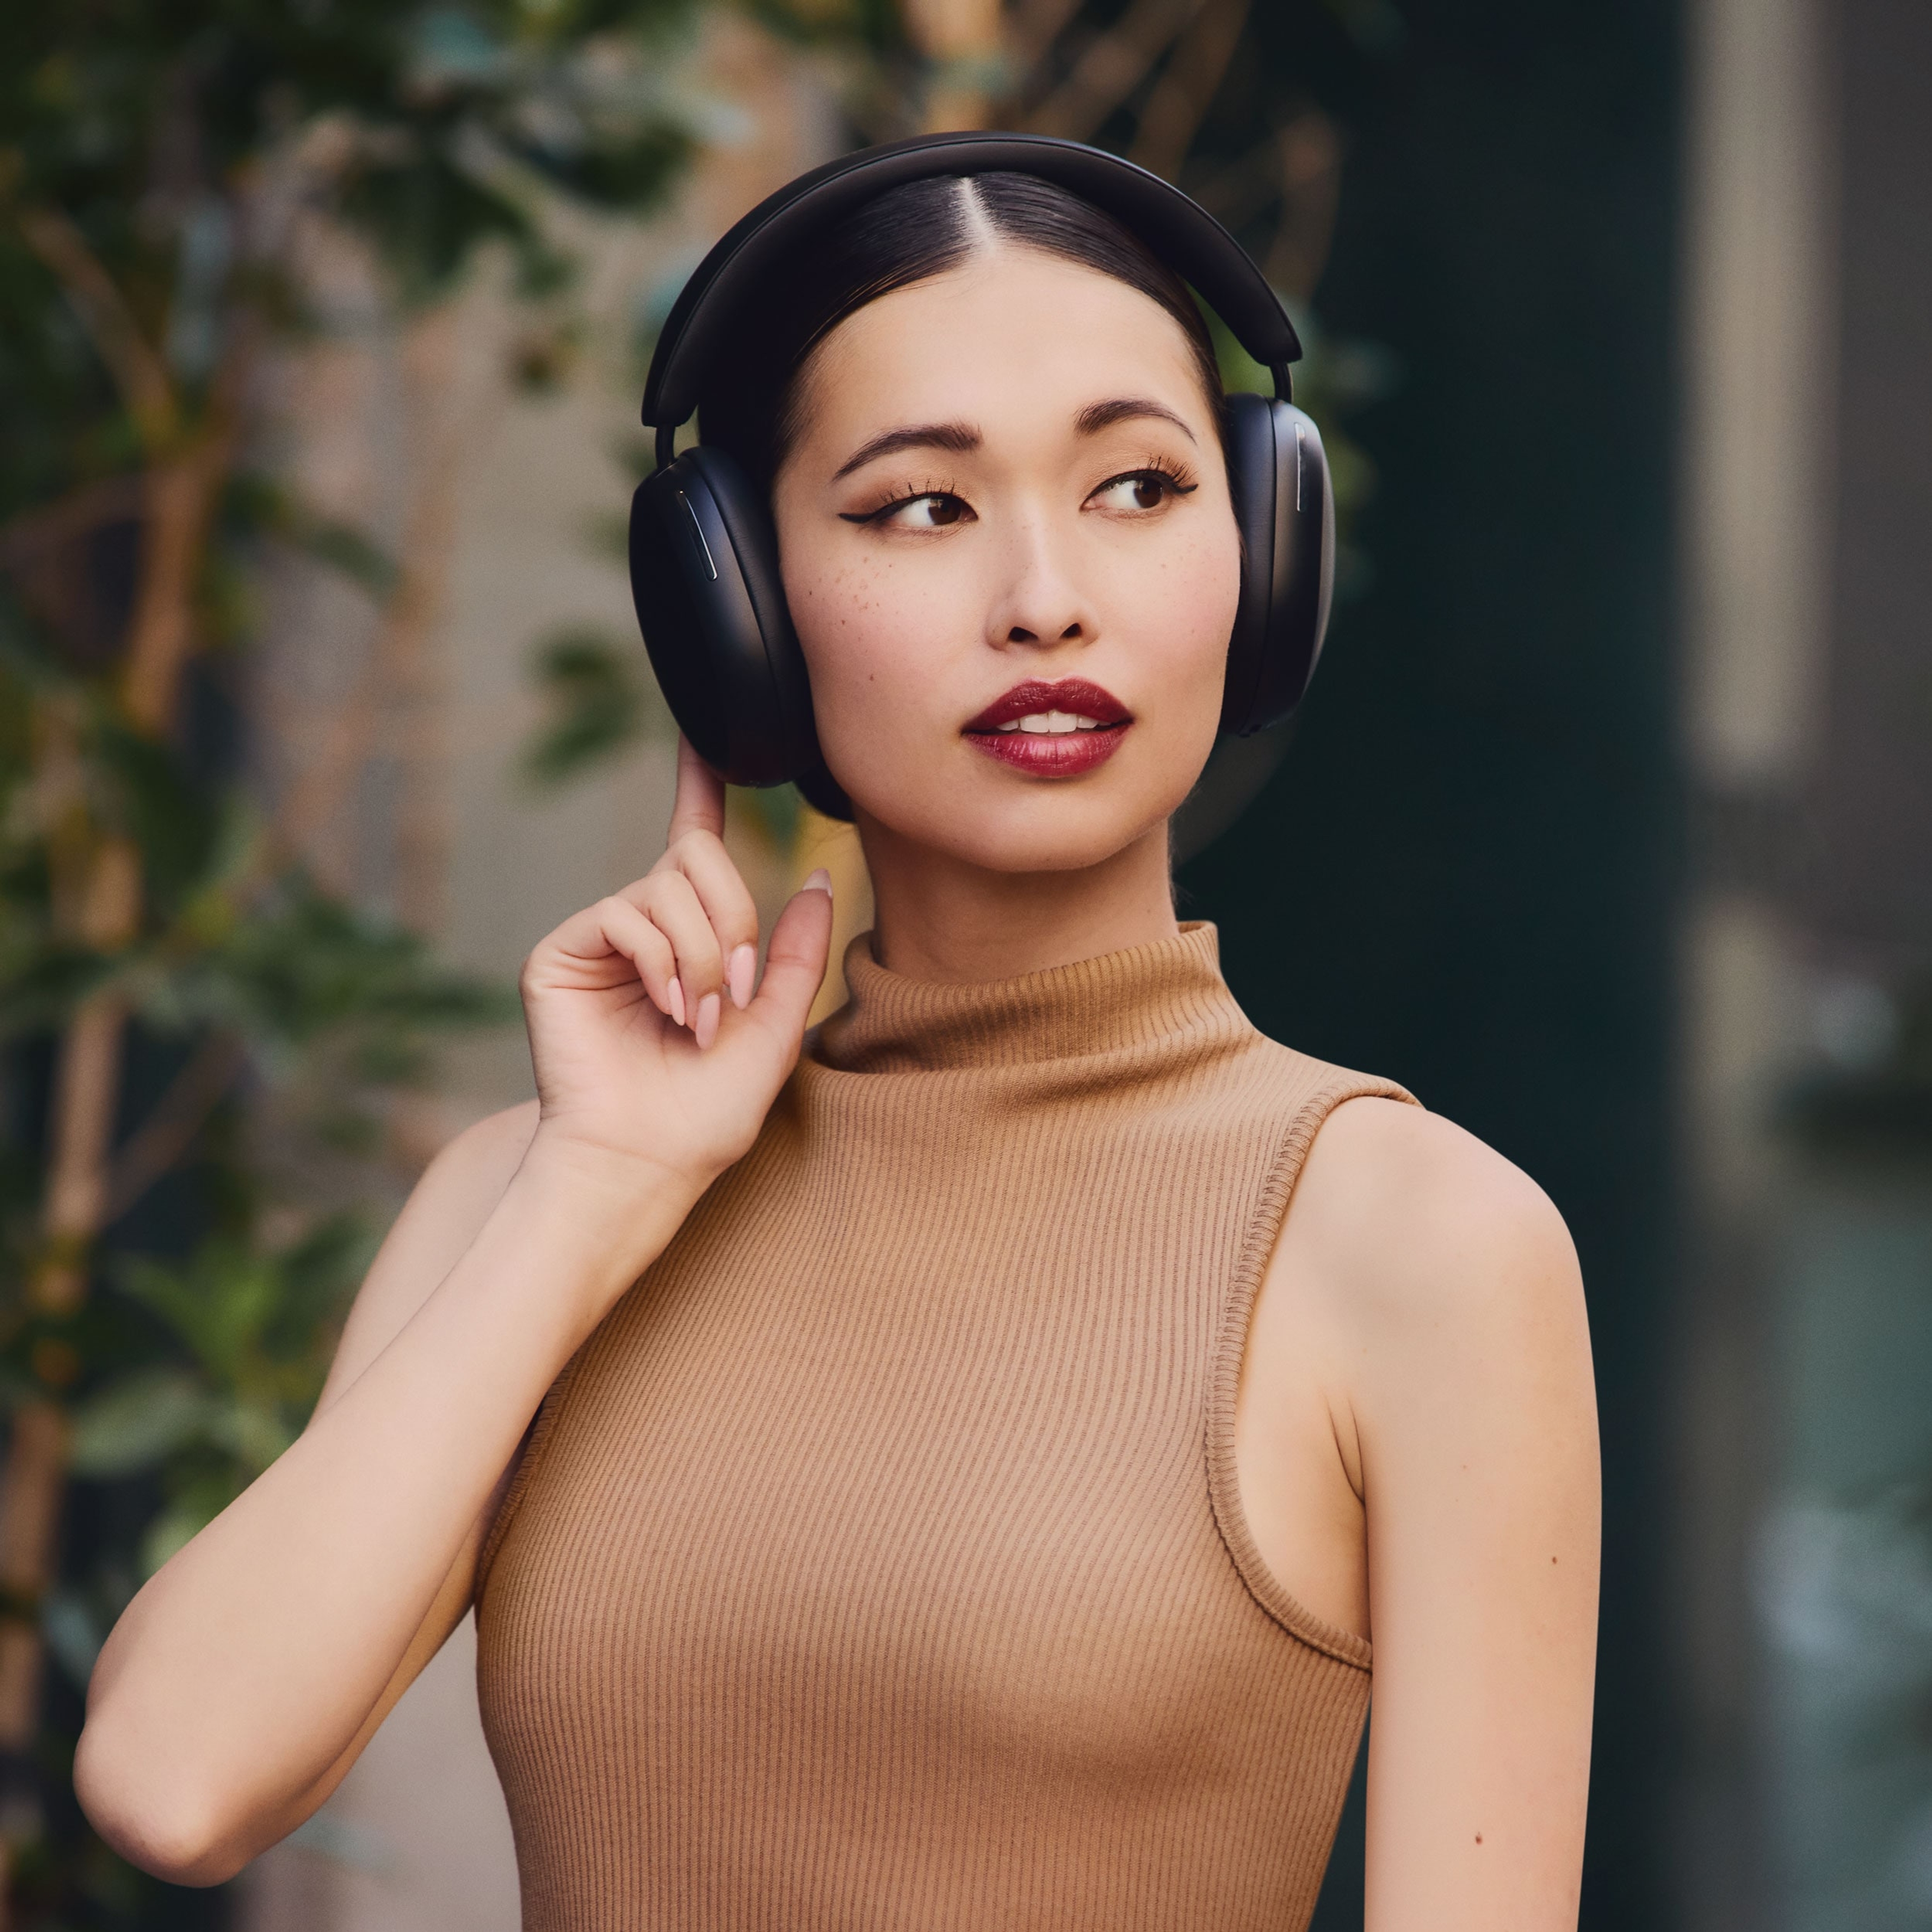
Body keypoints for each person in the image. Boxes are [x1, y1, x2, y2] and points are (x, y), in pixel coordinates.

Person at [76, 142, 1599, 1931]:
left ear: (1264, 552)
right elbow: (173, 1786)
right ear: (736, 617)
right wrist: (604, 1187)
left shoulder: (1421, 1244)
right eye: (922, 508)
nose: (1046, 593)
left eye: (1137, 484)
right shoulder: (542, 1200)